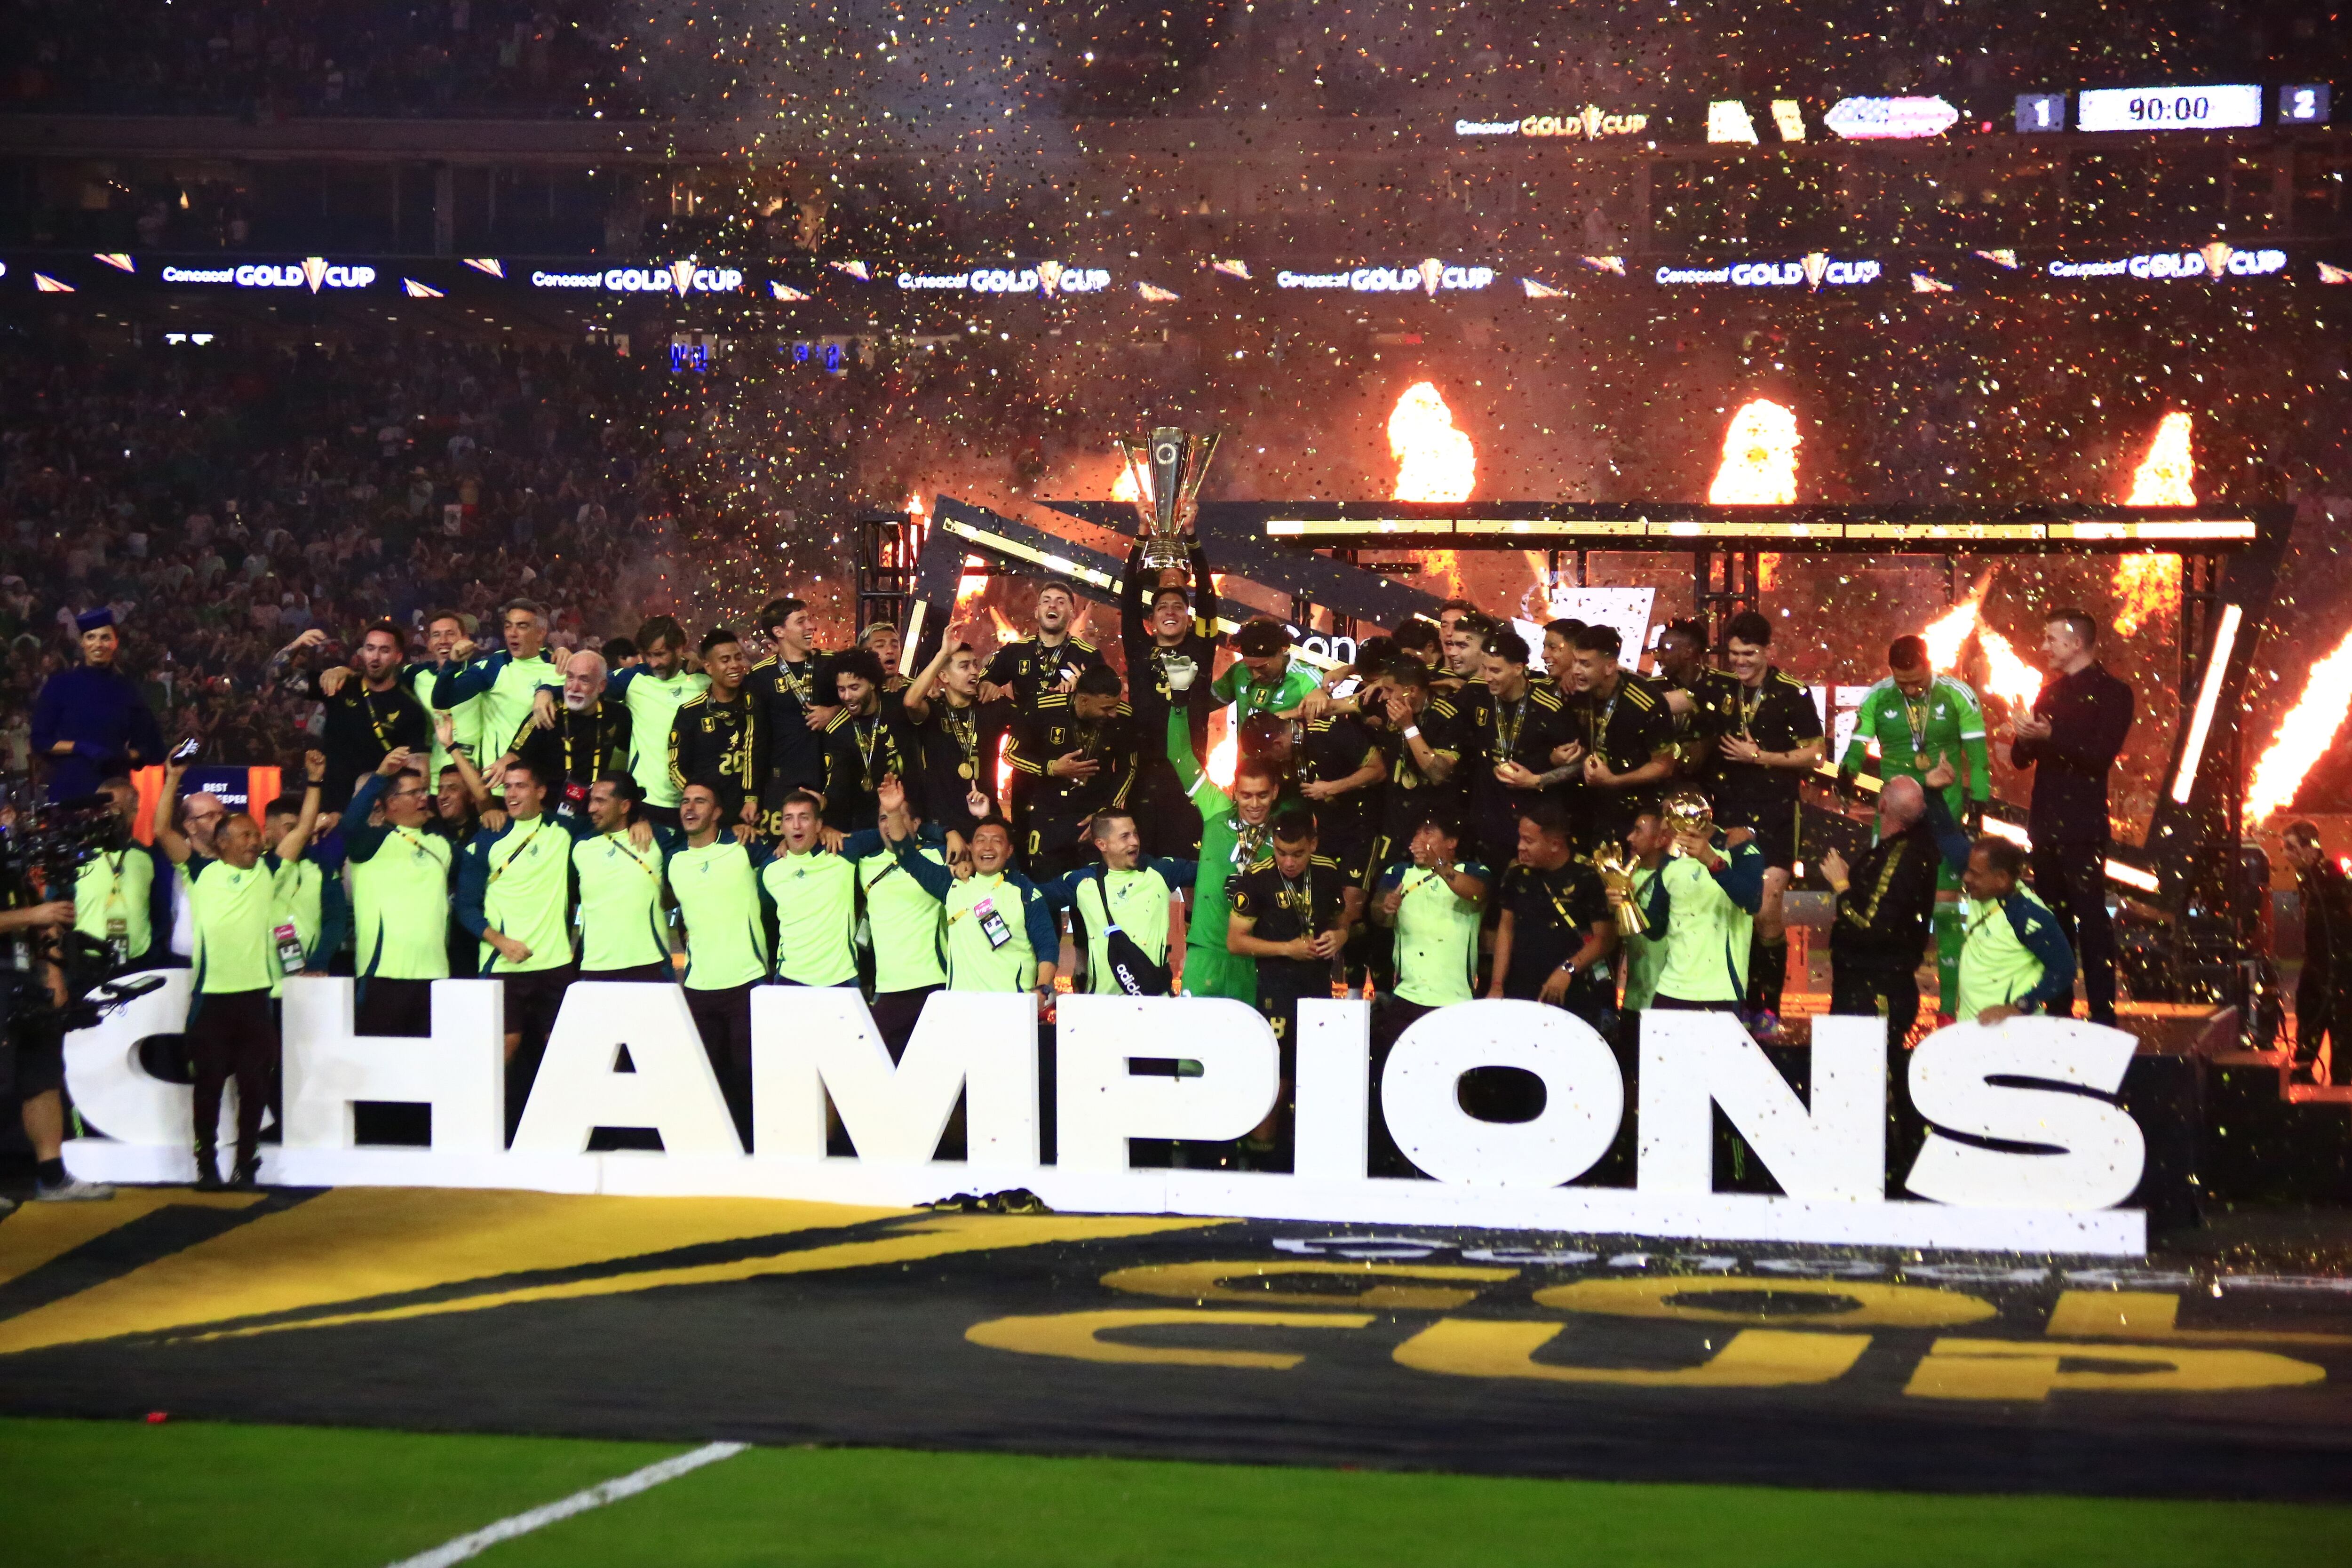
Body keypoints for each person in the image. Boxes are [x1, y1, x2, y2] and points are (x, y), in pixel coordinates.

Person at [154, 745, 324, 1189]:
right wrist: (172, 778)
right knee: (208, 1086)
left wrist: (314, 782)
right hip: (211, 999)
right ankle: (205, 1162)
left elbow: (304, 828)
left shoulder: (268, 872)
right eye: (246, 836)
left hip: (255, 1000)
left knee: (254, 1087)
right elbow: (160, 829)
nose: (257, 841)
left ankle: (247, 1161)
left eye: (257, 835)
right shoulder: (198, 872)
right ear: (223, 842)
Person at [1840, 634, 1990, 1023]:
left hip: (1942, 816)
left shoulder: (1959, 695)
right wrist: (1848, 769)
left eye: (1917, 680)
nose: (1910, 688)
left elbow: (1977, 752)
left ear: (1930, 663)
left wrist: (1981, 796)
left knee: (1944, 910)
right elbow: (1858, 743)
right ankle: (1883, 1002)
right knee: (1886, 912)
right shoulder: (1878, 696)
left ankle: (1948, 1009)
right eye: (1902, 682)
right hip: (1893, 821)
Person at [2006, 608, 2132, 1026]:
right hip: (2045, 826)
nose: (2043, 648)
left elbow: (2098, 758)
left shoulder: (2114, 693)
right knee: (2053, 923)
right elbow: (2022, 760)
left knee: (2092, 920)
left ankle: (2102, 1014)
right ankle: (2058, 1009)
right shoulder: (2050, 693)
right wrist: (2022, 736)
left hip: (2083, 827)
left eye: (2051, 640)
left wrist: (2050, 737)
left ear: (2076, 643)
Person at [1709, 611, 1825, 1040]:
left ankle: (1769, 1007)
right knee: (1735, 910)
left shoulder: (1793, 693)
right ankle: (1738, 1002)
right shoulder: (1722, 688)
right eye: (1735, 653)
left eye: (1750, 654)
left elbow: (1815, 755)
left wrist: (1760, 757)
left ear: (1768, 651)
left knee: (1766, 910)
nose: (1740, 662)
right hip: (1730, 811)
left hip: (1776, 812)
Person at [453, 757, 579, 1131]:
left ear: (541, 792)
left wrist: (637, 820)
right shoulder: (487, 838)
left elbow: (607, 817)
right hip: (503, 965)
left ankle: (560, 1129)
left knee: (562, 1048)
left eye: (521, 786)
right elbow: (466, 906)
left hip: (555, 962)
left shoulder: (565, 830)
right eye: (507, 787)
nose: (511, 794)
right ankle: (481, 1128)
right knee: (503, 1047)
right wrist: (501, 942)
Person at [1226, 806, 1352, 1164]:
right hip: (1274, 991)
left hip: (1319, 990)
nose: (1289, 862)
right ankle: (1258, 1164)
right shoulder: (1256, 877)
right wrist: (1288, 949)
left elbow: (1342, 919)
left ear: (1313, 844)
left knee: (1315, 1076)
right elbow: (1236, 941)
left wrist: (1340, 937)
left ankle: (1309, 1162)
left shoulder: (1327, 871)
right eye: (1281, 852)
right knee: (1275, 1080)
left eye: (1297, 854)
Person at [1820, 763, 1972, 1053]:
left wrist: (1842, 886)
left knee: (1867, 1076)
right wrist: (1931, 790)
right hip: (1877, 986)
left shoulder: (1901, 858)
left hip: (1874, 992)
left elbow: (1872, 926)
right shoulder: (1915, 844)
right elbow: (1934, 823)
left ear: (1882, 805)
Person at [1369, 813, 1488, 1172]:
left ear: (1451, 841)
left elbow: (1477, 895)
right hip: (1407, 997)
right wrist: (1385, 908)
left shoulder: (1474, 871)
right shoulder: (1398, 874)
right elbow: (1376, 912)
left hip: (1456, 1001)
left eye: (1428, 832)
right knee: (1404, 1084)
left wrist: (1440, 866)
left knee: (1456, 1085)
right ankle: (1402, 1161)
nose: (1416, 840)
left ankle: (1458, 1163)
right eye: (1416, 832)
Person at [670, 778, 779, 1137]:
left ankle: (756, 1150)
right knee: (702, 1077)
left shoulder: (744, 848)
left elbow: (787, 855)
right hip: (698, 985)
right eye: (686, 801)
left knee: (749, 1075)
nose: (690, 807)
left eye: (701, 801)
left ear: (718, 812)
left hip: (747, 981)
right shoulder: (672, 858)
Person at [1162, 702, 1284, 1003]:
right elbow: (1179, 757)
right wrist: (1179, 701)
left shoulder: (1284, 834)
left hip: (1255, 954)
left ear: (1276, 793)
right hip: (1206, 949)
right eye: (1246, 795)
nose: (1254, 804)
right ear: (1234, 791)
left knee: (1248, 1045)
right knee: (1192, 1047)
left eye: (1262, 795)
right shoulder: (1217, 810)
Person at [0, 892, 114, 1203]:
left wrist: (53, 970)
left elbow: (46, 921)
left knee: (43, 1077)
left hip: (29, 974)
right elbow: (36, 916)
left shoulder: (20, 856)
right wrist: (31, 916)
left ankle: (53, 1177)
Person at [340, 748, 455, 1036]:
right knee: (380, 1067)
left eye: (424, 791)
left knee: (427, 1070)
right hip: (384, 975)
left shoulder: (441, 845)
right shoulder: (371, 844)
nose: (423, 798)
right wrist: (380, 776)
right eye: (414, 793)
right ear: (390, 803)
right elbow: (350, 825)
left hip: (436, 975)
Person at [888, 812, 1060, 999]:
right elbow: (908, 856)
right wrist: (892, 811)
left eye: (997, 841)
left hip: (1012, 1007)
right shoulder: (951, 884)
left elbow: (1047, 946)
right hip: (962, 1009)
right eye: (981, 840)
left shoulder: (1025, 892)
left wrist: (1042, 988)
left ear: (1009, 851)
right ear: (970, 848)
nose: (988, 847)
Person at [1121, 538, 1220, 858]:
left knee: (1187, 864)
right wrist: (1138, 542)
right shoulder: (1139, 650)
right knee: (1141, 862)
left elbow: (1207, 600)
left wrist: (1195, 544)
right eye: (1162, 607)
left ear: (1189, 619)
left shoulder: (1200, 649)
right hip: (1144, 772)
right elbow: (1129, 601)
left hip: (1188, 773)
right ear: (1151, 621)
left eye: (1179, 607)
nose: (1170, 611)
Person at [1038, 809, 1197, 996]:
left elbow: (1212, 872)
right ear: (1102, 845)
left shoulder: (1161, 871)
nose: (1135, 842)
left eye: (1135, 833)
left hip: (1155, 1003)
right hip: (1102, 1007)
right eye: (1125, 837)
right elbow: (1027, 899)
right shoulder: (1082, 881)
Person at [1487, 800, 1616, 1028]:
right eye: (1520, 838)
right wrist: (1497, 984)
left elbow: (1605, 940)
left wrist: (1567, 970)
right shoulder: (1515, 875)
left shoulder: (1587, 877)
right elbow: (1506, 930)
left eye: (1529, 841)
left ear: (1555, 844)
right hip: (1521, 989)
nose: (1520, 847)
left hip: (1573, 992)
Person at [1633, 794, 1766, 1012]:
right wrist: (1629, 904)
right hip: (1670, 989)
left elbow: (1751, 902)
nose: (1664, 823)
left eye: (1669, 814)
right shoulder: (1671, 860)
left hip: (1720, 991)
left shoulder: (1739, 848)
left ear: (1696, 812)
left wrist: (1712, 860)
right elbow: (1656, 929)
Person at [1929, 830, 2079, 1025]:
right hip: (1970, 1033)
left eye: (1974, 874)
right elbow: (1945, 832)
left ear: (2001, 879)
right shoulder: (1982, 887)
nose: (1965, 878)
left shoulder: (2030, 916)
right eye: (1967, 870)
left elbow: (2065, 970)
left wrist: (2018, 1008)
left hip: (2011, 1038)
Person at [1006, 665, 1136, 880]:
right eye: (1106, 708)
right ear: (1084, 700)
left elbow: (1129, 768)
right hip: (1047, 816)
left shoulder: (1124, 716)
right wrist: (1051, 768)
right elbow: (1010, 754)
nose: (1113, 714)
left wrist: (1106, 813)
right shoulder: (1042, 709)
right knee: (1045, 892)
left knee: (1092, 896)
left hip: (1092, 819)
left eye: (1116, 705)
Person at [1472, 627, 1578, 874]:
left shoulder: (1550, 708)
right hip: (1488, 824)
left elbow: (1579, 765)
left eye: (1496, 670)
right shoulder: (1477, 697)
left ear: (1518, 669)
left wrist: (1537, 780)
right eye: (1485, 669)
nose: (1488, 677)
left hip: (1534, 825)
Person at [30, 606, 162, 802]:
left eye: (105, 638)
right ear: (82, 643)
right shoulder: (60, 685)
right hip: (71, 789)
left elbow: (151, 746)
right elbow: (40, 740)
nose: (98, 644)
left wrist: (123, 756)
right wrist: (80, 748)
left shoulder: (127, 689)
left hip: (115, 792)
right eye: (91, 637)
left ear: (116, 643)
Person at [864, 776, 952, 1058]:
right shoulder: (862, 863)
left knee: (943, 1081)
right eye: (883, 819)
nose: (890, 825)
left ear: (916, 825)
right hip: (887, 989)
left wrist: (950, 832)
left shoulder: (940, 857)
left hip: (935, 984)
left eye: (898, 816)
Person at [1568, 625, 1674, 854]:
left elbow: (1664, 766)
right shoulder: (1574, 693)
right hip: (1587, 806)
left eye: (1585, 664)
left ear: (1609, 666)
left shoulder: (1645, 703)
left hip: (1635, 813)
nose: (1576, 670)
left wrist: (1614, 781)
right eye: (1575, 661)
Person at [436, 601, 566, 787]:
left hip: (546, 784)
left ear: (540, 633)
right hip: (501, 784)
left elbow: (595, 688)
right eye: (508, 626)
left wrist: (548, 690)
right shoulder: (495, 667)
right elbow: (442, 699)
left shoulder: (558, 665)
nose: (512, 633)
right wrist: (452, 664)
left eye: (522, 627)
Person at [313, 621, 432, 809]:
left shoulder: (411, 708)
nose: (375, 657)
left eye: (384, 651)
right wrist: (297, 646)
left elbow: (420, 775)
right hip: (326, 807)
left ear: (398, 657)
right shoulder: (339, 685)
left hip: (373, 812)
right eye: (370, 649)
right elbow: (280, 676)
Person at [606, 614, 707, 829]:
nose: (653, 663)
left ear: (681, 647)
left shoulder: (704, 680)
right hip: (645, 803)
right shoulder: (633, 679)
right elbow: (587, 681)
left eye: (660, 655)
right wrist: (547, 691)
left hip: (694, 803)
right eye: (648, 655)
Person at [571, 773, 673, 983]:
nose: (591, 808)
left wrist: (643, 820)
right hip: (594, 967)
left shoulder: (657, 838)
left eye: (601, 801)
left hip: (651, 965)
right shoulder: (580, 844)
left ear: (625, 806)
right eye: (592, 800)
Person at [510, 649, 631, 821]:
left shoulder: (618, 716)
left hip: (593, 817)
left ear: (602, 686)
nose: (574, 687)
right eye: (570, 677)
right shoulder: (547, 712)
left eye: (584, 680)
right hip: (546, 817)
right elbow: (513, 757)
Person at [899, 633, 990, 855]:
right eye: (964, 666)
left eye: (975, 665)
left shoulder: (990, 707)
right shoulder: (933, 709)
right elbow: (911, 702)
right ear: (944, 676)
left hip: (985, 819)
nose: (974, 672)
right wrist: (943, 654)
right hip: (941, 827)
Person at [72, 776, 170, 973]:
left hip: (139, 965)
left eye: (114, 807)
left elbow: (160, 910)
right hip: (87, 967)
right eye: (101, 807)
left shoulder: (148, 857)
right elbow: (56, 913)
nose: (105, 814)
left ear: (133, 812)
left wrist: (154, 953)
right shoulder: (75, 857)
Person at [669, 625, 763, 830]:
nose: (735, 665)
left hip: (756, 814)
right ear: (708, 667)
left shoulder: (758, 704)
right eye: (725, 660)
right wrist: (704, 802)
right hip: (712, 820)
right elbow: (676, 769)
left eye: (738, 658)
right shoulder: (690, 713)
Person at [747, 597, 835, 807]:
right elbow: (755, 738)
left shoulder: (833, 662)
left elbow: (865, 703)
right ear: (779, 632)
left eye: (809, 620)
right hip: (784, 780)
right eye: (801, 622)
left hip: (832, 776)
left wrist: (834, 712)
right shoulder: (760, 676)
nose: (811, 627)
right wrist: (751, 796)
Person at [819, 648, 914, 840]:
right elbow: (837, 787)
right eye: (841, 689)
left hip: (910, 818)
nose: (847, 697)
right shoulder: (837, 730)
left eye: (855, 688)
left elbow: (919, 690)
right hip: (865, 827)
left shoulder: (898, 704)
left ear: (872, 683)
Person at [2280, 821, 2349, 1084]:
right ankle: (2302, 1073)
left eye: (2291, 847)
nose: (2286, 854)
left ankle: (2341, 1099)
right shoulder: (2307, 878)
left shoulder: (2330, 876)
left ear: (2310, 848)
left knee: (2343, 1047)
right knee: (2307, 1030)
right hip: (2316, 971)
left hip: (2339, 975)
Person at [1213, 619, 1323, 725]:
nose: (1255, 675)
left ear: (1282, 650)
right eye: (1250, 668)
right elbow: (1202, 705)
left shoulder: (1309, 681)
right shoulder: (1239, 670)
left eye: (1262, 667)